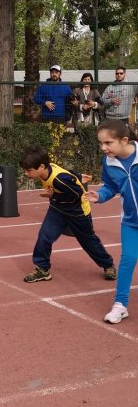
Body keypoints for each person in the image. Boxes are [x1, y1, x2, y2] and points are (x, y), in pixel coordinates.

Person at [19, 144, 115, 283]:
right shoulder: (49, 169)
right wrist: (78, 176)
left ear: (41, 167)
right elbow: (67, 171)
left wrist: (53, 195)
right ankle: (43, 269)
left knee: (88, 241)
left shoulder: (59, 179)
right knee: (45, 236)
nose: (26, 174)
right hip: (58, 209)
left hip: (78, 211)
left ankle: (108, 264)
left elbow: (76, 194)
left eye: (29, 170)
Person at [86, 120, 138, 324]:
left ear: (124, 140)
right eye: (101, 143)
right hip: (131, 222)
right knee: (127, 260)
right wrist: (100, 196)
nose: (103, 147)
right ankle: (120, 305)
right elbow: (110, 186)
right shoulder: (108, 162)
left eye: (108, 142)